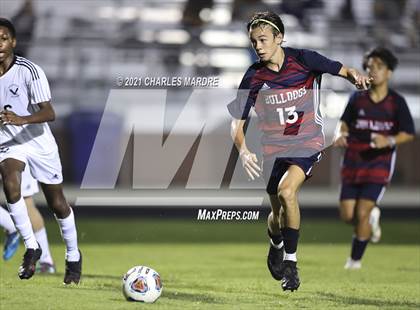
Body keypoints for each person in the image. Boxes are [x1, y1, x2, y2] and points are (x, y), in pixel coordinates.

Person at [227, 11, 371, 291]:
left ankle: (291, 265)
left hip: (307, 143)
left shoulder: (304, 59)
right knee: (277, 213)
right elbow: (237, 122)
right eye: (253, 41)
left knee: (287, 191)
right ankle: (276, 243)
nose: (258, 46)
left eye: (263, 39)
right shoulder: (254, 76)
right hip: (273, 150)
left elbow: (342, 69)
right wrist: (243, 150)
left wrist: (355, 77)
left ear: (279, 38)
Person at [0, 18, 81, 284]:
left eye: (3, 38)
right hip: (10, 144)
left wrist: (21, 118)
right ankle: (32, 247)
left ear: (13, 42)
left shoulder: (29, 71)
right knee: (10, 182)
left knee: (58, 204)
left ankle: (72, 255)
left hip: (38, 142)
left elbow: (49, 112)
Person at [333, 47, 415, 269]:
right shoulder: (357, 98)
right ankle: (372, 218)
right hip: (352, 160)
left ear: (389, 72)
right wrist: (340, 134)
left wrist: (388, 141)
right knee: (348, 215)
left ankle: (354, 262)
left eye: (379, 66)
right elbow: (343, 124)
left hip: (379, 163)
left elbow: (408, 132)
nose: (374, 70)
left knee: (361, 212)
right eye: (370, 67)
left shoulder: (396, 102)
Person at [1, 166, 56, 273]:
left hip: (18, 154)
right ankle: (10, 224)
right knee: (26, 203)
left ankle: (46, 260)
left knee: (26, 203)